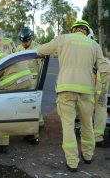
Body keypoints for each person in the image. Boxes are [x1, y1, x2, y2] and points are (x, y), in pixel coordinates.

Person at [36, 19, 110, 172]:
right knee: (87, 125)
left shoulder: (63, 39)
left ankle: (72, 162)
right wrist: (102, 91)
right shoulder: (95, 46)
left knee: (68, 126)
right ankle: (88, 156)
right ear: (86, 30)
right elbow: (105, 69)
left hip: (66, 90)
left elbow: (41, 50)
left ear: (74, 29)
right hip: (86, 91)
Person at [16, 27, 44, 129]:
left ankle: (39, 123)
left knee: (34, 102)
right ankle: (28, 122)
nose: (24, 44)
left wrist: (41, 81)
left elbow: (41, 66)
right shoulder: (18, 49)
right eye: (22, 42)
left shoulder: (38, 48)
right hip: (22, 80)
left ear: (31, 39)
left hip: (34, 80)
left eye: (26, 42)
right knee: (24, 102)